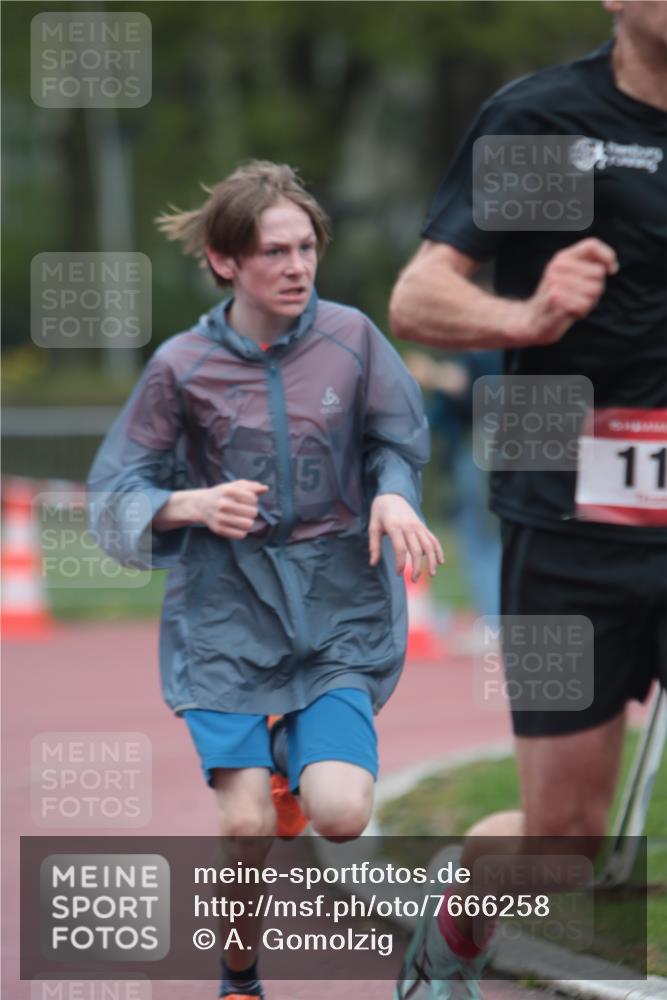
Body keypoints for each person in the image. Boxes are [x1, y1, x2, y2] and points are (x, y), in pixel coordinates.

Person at [87, 160, 444, 1000]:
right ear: (224, 261)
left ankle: (290, 756)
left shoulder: (354, 338)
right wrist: (190, 502)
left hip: (338, 607)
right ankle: (239, 978)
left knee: (341, 813)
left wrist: (393, 495)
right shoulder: (180, 366)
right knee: (245, 824)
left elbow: (397, 439)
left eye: (306, 247)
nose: (296, 267)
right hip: (227, 616)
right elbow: (115, 491)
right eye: (274, 252)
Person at [389, 1, 666, 996]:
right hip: (566, 523)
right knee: (563, 843)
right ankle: (454, 924)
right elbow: (419, 297)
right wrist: (529, 313)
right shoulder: (552, 129)